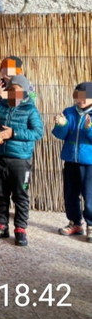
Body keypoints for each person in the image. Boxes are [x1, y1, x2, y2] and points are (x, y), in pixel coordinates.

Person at [0, 75, 43, 246]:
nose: (13, 93)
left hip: (20, 159)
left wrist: (14, 133)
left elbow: (38, 132)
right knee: (0, 194)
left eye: (17, 90)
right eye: (10, 90)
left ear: (24, 92)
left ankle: (21, 229)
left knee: (20, 195)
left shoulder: (30, 109)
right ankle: (1, 225)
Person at [53, 82, 92, 241]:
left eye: (85, 97)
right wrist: (61, 125)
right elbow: (60, 134)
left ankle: (91, 224)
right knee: (70, 193)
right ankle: (75, 223)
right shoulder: (68, 112)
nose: (80, 100)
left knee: (89, 195)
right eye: (78, 96)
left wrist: (89, 129)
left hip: (89, 163)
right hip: (70, 160)